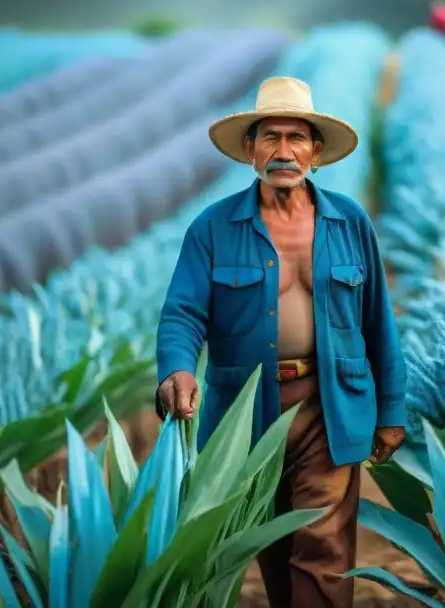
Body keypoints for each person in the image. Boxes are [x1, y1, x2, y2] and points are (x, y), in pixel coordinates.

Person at [155, 76, 407, 608]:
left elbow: (377, 319)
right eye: (271, 137)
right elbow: (182, 313)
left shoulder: (349, 223)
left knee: (323, 544)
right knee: (269, 544)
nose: (284, 151)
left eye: (297, 138)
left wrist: (391, 409)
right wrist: (176, 368)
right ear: (250, 149)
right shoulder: (213, 227)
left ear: (317, 151)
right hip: (246, 416)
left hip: (329, 404)